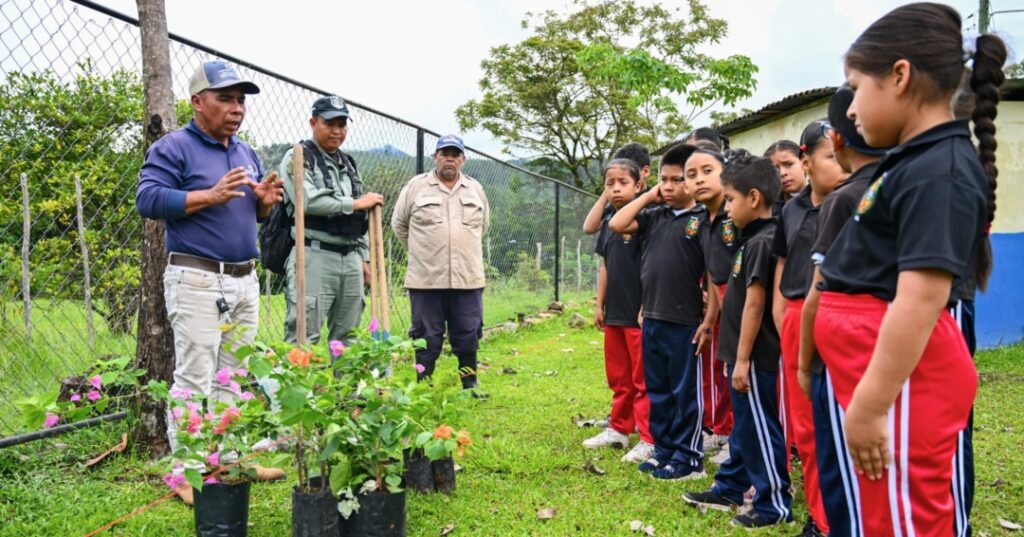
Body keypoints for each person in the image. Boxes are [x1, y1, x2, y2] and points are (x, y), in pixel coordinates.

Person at [812, 4, 1003, 535]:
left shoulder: (938, 171)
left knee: (901, 522)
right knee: (871, 517)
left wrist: (872, 406)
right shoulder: (911, 161)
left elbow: (919, 300)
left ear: (899, 76)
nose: (849, 110)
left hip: (899, 387)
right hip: (876, 373)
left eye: (856, 88)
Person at [136, 60, 286, 504]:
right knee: (194, 378)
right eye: (225, 98)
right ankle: (187, 473)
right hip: (198, 278)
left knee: (233, 375)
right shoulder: (174, 147)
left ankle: (229, 458)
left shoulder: (244, 151)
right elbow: (148, 199)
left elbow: (251, 215)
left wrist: (262, 204)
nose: (236, 108)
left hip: (244, 279)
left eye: (240, 100)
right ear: (197, 102)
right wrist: (211, 195)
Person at [798, 84, 890, 537]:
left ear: (836, 139)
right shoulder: (906, 182)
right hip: (893, 355)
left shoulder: (844, 200)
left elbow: (819, 291)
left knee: (840, 461)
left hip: (844, 357)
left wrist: (803, 361)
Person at [684, 155, 793, 529]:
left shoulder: (763, 243)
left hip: (756, 358)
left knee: (761, 428)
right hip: (740, 355)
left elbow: (756, 304)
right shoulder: (750, 240)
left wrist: (743, 359)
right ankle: (732, 486)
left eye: (730, 200)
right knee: (745, 428)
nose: (726, 208)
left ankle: (773, 503)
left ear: (754, 197)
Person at [609, 143, 708, 481]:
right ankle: (664, 450)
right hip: (652, 317)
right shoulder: (654, 216)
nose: (668, 186)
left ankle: (689, 457)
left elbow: (711, 273)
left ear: (692, 183)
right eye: (663, 180)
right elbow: (617, 223)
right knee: (659, 390)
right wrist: (649, 196)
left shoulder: (703, 219)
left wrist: (708, 320)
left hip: (685, 322)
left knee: (684, 393)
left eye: (676, 180)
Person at [771, 118, 847, 537]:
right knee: (808, 427)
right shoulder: (793, 209)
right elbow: (782, 263)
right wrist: (782, 316)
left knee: (844, 422)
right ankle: (821, 518)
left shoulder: (854, 202)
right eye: (833, 156)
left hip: (841, 315)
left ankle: (850, 514)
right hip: (798, 316)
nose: (844, 165)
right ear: (808, 160)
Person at [277, 96, 384, 346]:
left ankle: (345, 387)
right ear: (313, 123)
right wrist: (354, 203)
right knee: (303, 335)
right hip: (314, 255)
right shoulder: (298, 156)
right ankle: (299, 385)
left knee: (348, 338)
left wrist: (365, 257)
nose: (337, 131)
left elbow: (362, 214)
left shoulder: (348, 163)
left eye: (342, 124)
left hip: (351, 256)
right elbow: (307, 200)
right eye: (329, 124)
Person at [391, 135, 490, 393]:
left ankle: (470, 385)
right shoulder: (416, 187)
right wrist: (424, 252)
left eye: (455, 154)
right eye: (444, 153)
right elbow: (399, 225)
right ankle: (423, 387)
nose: (449, 158)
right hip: (426, 280)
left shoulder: (475, 189)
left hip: (467, 279)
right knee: (426, 338)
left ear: (463, 159)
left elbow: (483, 226)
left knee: (468, 336)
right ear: (435, 157)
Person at [581, 159, 653, 463]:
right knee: (619, 376)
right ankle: (619, 429)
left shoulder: (645, 218)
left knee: (643, 379)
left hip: (638, 313)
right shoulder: (610, 217)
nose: (615, 189)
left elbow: (653, 267)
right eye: (610, 183)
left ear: (639, 185)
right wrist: (600, 303)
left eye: (623, 182)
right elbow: (606, 264)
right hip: (614, 312)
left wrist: (646, 304)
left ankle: (649, 438)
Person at [682, 146, 736, 458]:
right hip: (723, 312)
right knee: (721, 373)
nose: (700, 180)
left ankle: (737, 444)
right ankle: (725, 435)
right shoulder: (704, 220)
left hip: (745, 310)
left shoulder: (737, 215)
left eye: (707, 171)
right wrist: (709, 321)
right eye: (692, 175)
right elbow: (715, 278)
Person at [764, 140, 808, 214]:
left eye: (788, 164)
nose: (782, 173)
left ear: (804, 162)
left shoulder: (825, 200)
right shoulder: (769, 212)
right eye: (775, 169)